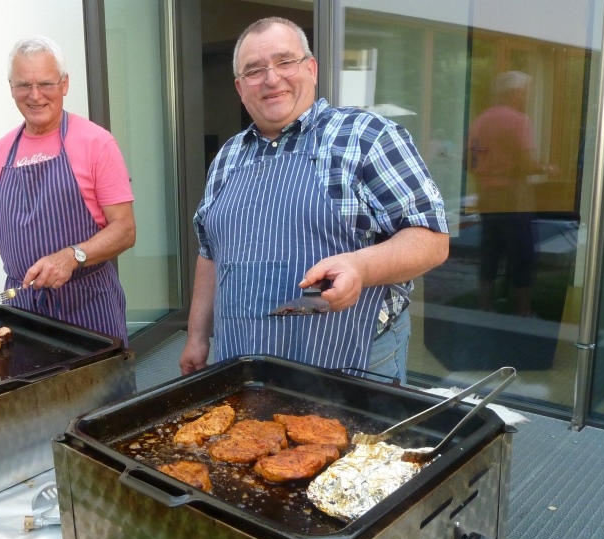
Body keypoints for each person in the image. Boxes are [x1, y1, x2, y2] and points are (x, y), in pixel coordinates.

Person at [178, 17, 449, 383]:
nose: (271, 78)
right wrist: (197, 337)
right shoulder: (228, 155)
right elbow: (210, 252)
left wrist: (361, 267)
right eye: (254, 71)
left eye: (285, 62)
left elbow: (431, 240)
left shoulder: (367, 136)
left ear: (311, 68)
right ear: (240, 88)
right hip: (244, 363)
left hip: (352, 364)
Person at [0, 36, 135, 343]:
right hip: (21, 309)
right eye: (24, 85)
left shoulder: (97, 143)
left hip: (89, 305)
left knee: (100, 378)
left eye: (46, 84)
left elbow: (125, 230)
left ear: (64, 84)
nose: (35, 96)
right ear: (11, 88)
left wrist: (72, 256)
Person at [468, 71, 550, 317]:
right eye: (524, 93)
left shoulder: (480, 120)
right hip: (513, 197)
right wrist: (547, 168)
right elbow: (527, 164)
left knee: (490, 254)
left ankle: (484, 307)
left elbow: (472, 162)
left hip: (487, 196)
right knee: (522, 254)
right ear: (513, 93)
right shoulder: (519, 121)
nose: (526, 97)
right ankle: (523, 311)